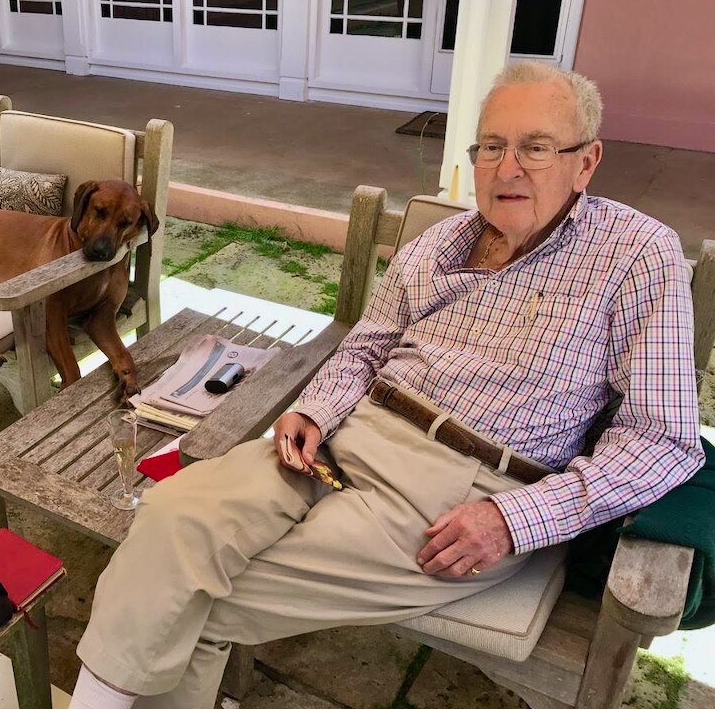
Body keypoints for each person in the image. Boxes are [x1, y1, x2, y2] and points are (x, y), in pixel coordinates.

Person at [68, 62, 703, 709]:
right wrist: (315, 409)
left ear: (585, 161)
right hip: (346, 438)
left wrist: (515, 519)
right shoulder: (439, 242)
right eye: (491, 146)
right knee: (173, 515)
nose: (507, 168)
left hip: (462, 488)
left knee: (191, 599)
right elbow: (366, 345)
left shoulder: (634, 254)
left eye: (536, 148)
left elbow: (664, 440)